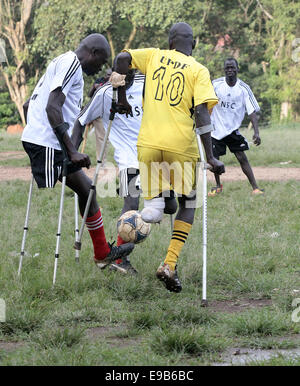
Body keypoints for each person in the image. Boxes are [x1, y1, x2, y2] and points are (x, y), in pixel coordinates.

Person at [113, 22, 225, 292]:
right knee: (189, 201)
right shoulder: (198, 69)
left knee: (158, 205)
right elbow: (201, 113)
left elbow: (121, 58)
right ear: (193, 44)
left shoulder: (153, 55)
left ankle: (148, 213)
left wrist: (120, 93)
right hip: (180, 147)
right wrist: (211, 156)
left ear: (170, 41)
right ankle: (169, 264)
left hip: (148, 145)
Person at [21, 33, 134, 270]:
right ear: (92, 53)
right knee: (87, 190)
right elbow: (53, 107)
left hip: (42, 141)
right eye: (101, 61)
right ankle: (103, 253)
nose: (100, 67)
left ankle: (103, 253)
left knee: (88, 191)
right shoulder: (71, 63)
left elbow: (28, 104)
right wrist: (71, 151)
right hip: (47, 144)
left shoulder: (60, 61)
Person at [72, 69, 145, 275]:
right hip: (129, 157)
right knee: (131, 203)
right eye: (118, 70)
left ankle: (118, 253)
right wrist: (73, 152)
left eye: (128, 71)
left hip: (153, 152)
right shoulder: (105, 93)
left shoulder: (146, 84)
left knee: (168, 205)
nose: (124, 76)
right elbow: (80, 120)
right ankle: (119, 258)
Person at [208, 58, 264, 196]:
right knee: (214, 160)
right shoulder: (216, 84)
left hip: (232, 129)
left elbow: (252, 111)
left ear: (237, 69)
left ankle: (255, 188)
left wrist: (256, 132)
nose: (230, 70)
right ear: (224, 70)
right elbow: (205, 100)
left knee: (242, 157)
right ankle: (217, 186)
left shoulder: (244, 88)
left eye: (232, 67)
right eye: (227, 68)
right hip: (215, 129)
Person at [87, 67, 112, 163]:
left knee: (106, 138)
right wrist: (94, 87)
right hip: (98, 112)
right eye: (107, 74)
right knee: (101, 137)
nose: (108, 76)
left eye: (110, 75)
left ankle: (102, 160)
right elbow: (90, 94)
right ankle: (101, 161)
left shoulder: (114, 83)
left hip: (109, 113)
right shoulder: (100, 80)